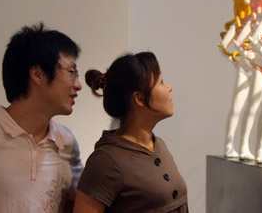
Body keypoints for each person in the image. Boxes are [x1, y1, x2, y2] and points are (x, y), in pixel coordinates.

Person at [74, 52, 188, 213]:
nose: (169, 87)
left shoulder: (159, 145)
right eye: (161, 82)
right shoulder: (106, 161)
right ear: (139, 99)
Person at [0, 23, 84, 212]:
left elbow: (81, 201)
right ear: (37, 74)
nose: (78, 85)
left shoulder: (67, 142)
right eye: (71, 72)